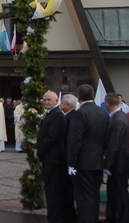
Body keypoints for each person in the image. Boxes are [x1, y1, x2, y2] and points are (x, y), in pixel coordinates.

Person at [66, 83, 108, 223]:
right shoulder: (102, 112)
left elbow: (75, 140)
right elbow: (107, 137)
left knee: (84, 198)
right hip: (98, 161)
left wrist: (71, 162)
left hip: (83, 163)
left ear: (79, 97)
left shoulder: (80, 113)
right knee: (94, 195)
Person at [36, 91, 75, 223]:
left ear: (56, 100)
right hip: (50, 159)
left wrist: (39, 151)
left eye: (49, 100)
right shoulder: (50, 114)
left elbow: (52, 137)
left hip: (54, 160)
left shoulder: (57, 115)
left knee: (53, 192)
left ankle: (55, 219)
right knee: (52, 191)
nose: (46, 102)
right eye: (44, 100)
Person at [104, 93, 129, 223]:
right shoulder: (119, 117)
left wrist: (107, 164)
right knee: (114, 191)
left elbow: (114, 144)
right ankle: (113, 216)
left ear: (107, 104)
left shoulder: (119, 119)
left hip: (119, 162)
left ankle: (122, 218)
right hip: (117, 161)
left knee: (120, 192)